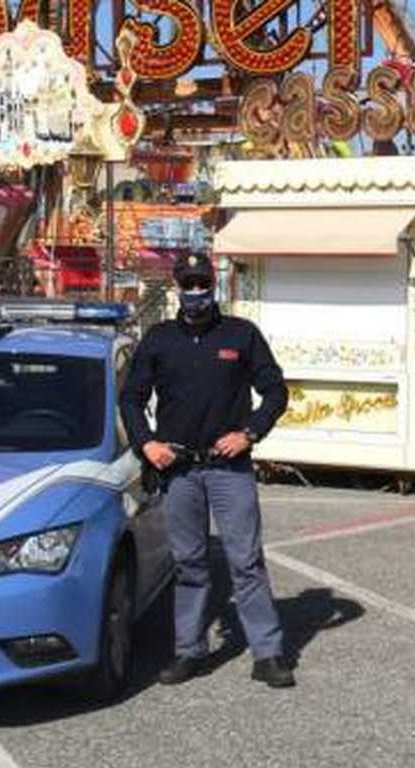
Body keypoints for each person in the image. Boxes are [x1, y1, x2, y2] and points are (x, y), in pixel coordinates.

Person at [120, 252, 294, 688]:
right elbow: (131, 398)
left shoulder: (241, 334)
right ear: (177, 287)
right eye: (188, 284)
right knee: (189, 563)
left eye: (202, 283)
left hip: (228, 469)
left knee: (246, 561)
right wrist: (147, 443)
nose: (196, 292)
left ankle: (268, 653)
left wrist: (250, 433)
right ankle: (190, 651)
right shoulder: (158, 339)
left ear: (212, 285)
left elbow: (274, 391)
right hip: (179, 469)